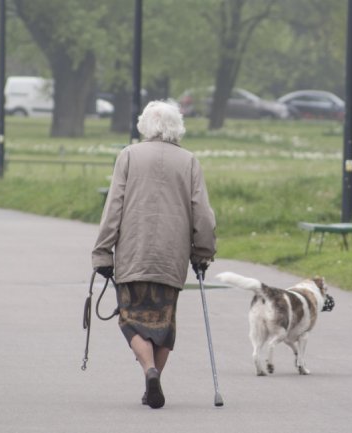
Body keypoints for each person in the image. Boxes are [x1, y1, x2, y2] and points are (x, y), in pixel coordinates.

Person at [91, 100, 216, 409]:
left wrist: (103, 252)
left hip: (134, 253)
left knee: (131, 319)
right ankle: (153, 381)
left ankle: (148, 371)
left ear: (144, 126)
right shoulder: (189, 161)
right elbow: (202, 214)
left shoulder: (129, 156)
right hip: (172, 257)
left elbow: (114, 208)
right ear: (177, 128)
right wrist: (202, 251)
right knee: (163, 323)